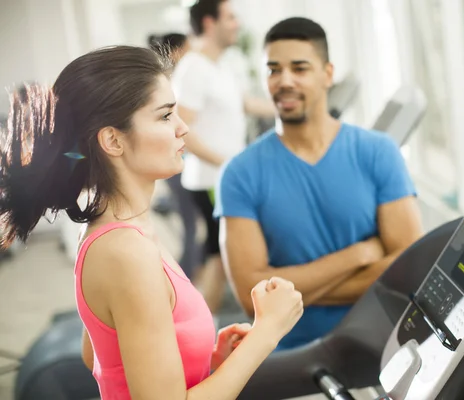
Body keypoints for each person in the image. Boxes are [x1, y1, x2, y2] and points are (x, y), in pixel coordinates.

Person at [0, 45, 303, 399]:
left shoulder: (117, 230)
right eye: (165, 116)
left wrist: (208, 362)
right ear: (113, 140)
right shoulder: (125, 253)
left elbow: (99, 356)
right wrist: (268, 331)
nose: (183, 128)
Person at [214, 17, 424, 350]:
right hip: (293, 352)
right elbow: (249, 295)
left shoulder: (378, 152)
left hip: (384, 343)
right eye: (273, 70)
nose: (284, 81)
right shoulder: (239, 173)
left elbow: (411, 268)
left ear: (327, 74)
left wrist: (292, 292)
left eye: (299, 68)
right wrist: (356, 256)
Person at [171, 0, 274, 318]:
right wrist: (227, 164)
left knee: (217, 255)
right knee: (220, 256)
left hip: (224, 177)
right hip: (212, 180)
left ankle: (198, 324)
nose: (237, 24)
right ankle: (200, 330)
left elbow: (246, 104)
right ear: (209, 22)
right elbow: (181, 131)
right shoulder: (193, 69)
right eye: (230, 17)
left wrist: (297, 108)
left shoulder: (221, 66)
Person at [147, 33, 200, 279]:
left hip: (182, 165)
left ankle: (190, 273)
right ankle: (188, 276)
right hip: (181, 167)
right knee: (191, 225)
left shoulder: (173, 84)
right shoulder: (171, 86)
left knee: (192, 225)